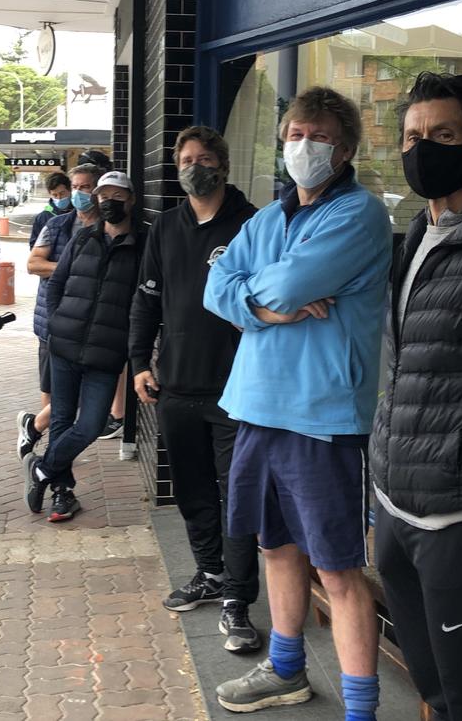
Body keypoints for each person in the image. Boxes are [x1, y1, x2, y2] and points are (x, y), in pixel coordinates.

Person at [204, 87, 392, 720]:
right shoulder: (268, 217)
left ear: (344, 149)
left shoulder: (358, 215)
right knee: (276, 547)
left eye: (316, 135)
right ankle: (286, 670)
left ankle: (360, 710)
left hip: (322, 416)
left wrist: (265, 292)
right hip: (256, 406)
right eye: (292, 133)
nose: (301, 145)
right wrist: (266, 310)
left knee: (338, 571)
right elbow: (216, 286)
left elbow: (286, 281)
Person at [370, 72, 462, 721]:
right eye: (412, 135)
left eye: (444, 134)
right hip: (397, 511)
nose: (423, 147)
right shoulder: (414, 234)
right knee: (434, 692)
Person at [130, 125, 261, 653]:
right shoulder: (166, 226)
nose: (193, 166)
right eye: (185, 158)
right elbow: (146, 300)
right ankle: (209, 574)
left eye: (204, 157)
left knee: (237, 498)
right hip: (176, 386)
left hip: (236, 389)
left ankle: (238, 600)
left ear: (223, 165)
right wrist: (139, 361)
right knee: (192, 490)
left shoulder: (252, 225)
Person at [22, 171, 142, 522]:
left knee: (89, 426)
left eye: (117, 195)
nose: (108, 202)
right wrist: (59, 325)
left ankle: (41, 469)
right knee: (60, 421)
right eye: (103, 195)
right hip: (65, 348)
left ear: (130, 200)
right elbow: (55, 284)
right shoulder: (83, 237)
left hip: (106, 355)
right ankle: (62, 491)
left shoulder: (144, 245)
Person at [16, 164, 104, 460]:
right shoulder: (56, 226)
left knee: (81, 395)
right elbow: (33, 264)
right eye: (75, 187)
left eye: (86, 187)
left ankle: (37, 428)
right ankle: (55, 461)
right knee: (53, 390)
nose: (79, 193)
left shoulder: (108, 228)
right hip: (54, 322)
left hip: (92, 326)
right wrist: (74, 271)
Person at [28, 171, 74, 249]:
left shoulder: (79, 213)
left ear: (70, 191)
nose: (59, 198)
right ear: (50, 194)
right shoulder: (42, 217)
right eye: (55, 195)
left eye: (62, 193)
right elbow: (34, 246)